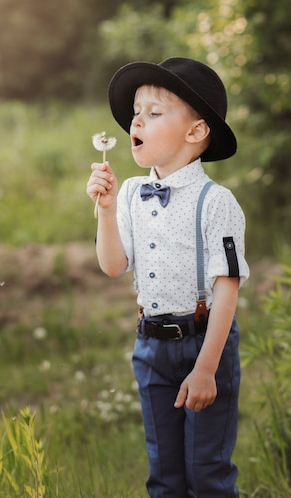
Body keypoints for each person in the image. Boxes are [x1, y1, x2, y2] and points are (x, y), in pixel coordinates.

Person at [86, 57, 249, 498]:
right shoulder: (132, 194)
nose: (137, 120)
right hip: (151, 347)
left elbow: (226, 292)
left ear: (195, 132)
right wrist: (104, 210)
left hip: (204, 343)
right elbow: (114, 265)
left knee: (206, 472)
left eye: (154, 113)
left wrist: (207, 369)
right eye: (136, 113)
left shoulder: (217, 202)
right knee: (165, 474)